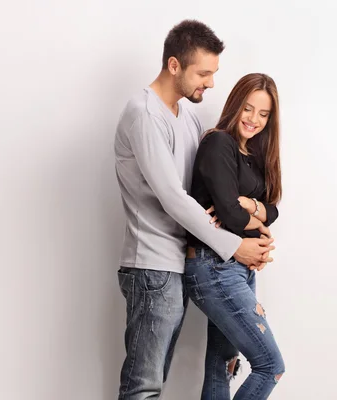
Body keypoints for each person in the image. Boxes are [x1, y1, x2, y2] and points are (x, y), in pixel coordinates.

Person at [113, 21, 275, 400]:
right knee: (144, 388)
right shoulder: (144, 113)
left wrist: (238, 213)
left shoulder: (187, 117)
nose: (211, 83)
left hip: (181, 261)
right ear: (174, 66)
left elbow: (200, 193)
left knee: (162, 381)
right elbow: (173, 198)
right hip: (151, 263)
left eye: (213, 73)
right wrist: (233, 244)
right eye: (204, 73)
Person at [185, 73, 285, 400]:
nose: (254, 119)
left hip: (237, 270)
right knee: (270, 365)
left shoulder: (254, 157)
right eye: (248, 108)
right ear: (235, 104)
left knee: (221, 364)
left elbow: (273, 209)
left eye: (264, 114)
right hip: (214, 266)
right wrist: (250, 216)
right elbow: (228, 214)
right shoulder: (219, 143)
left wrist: (250, 207)